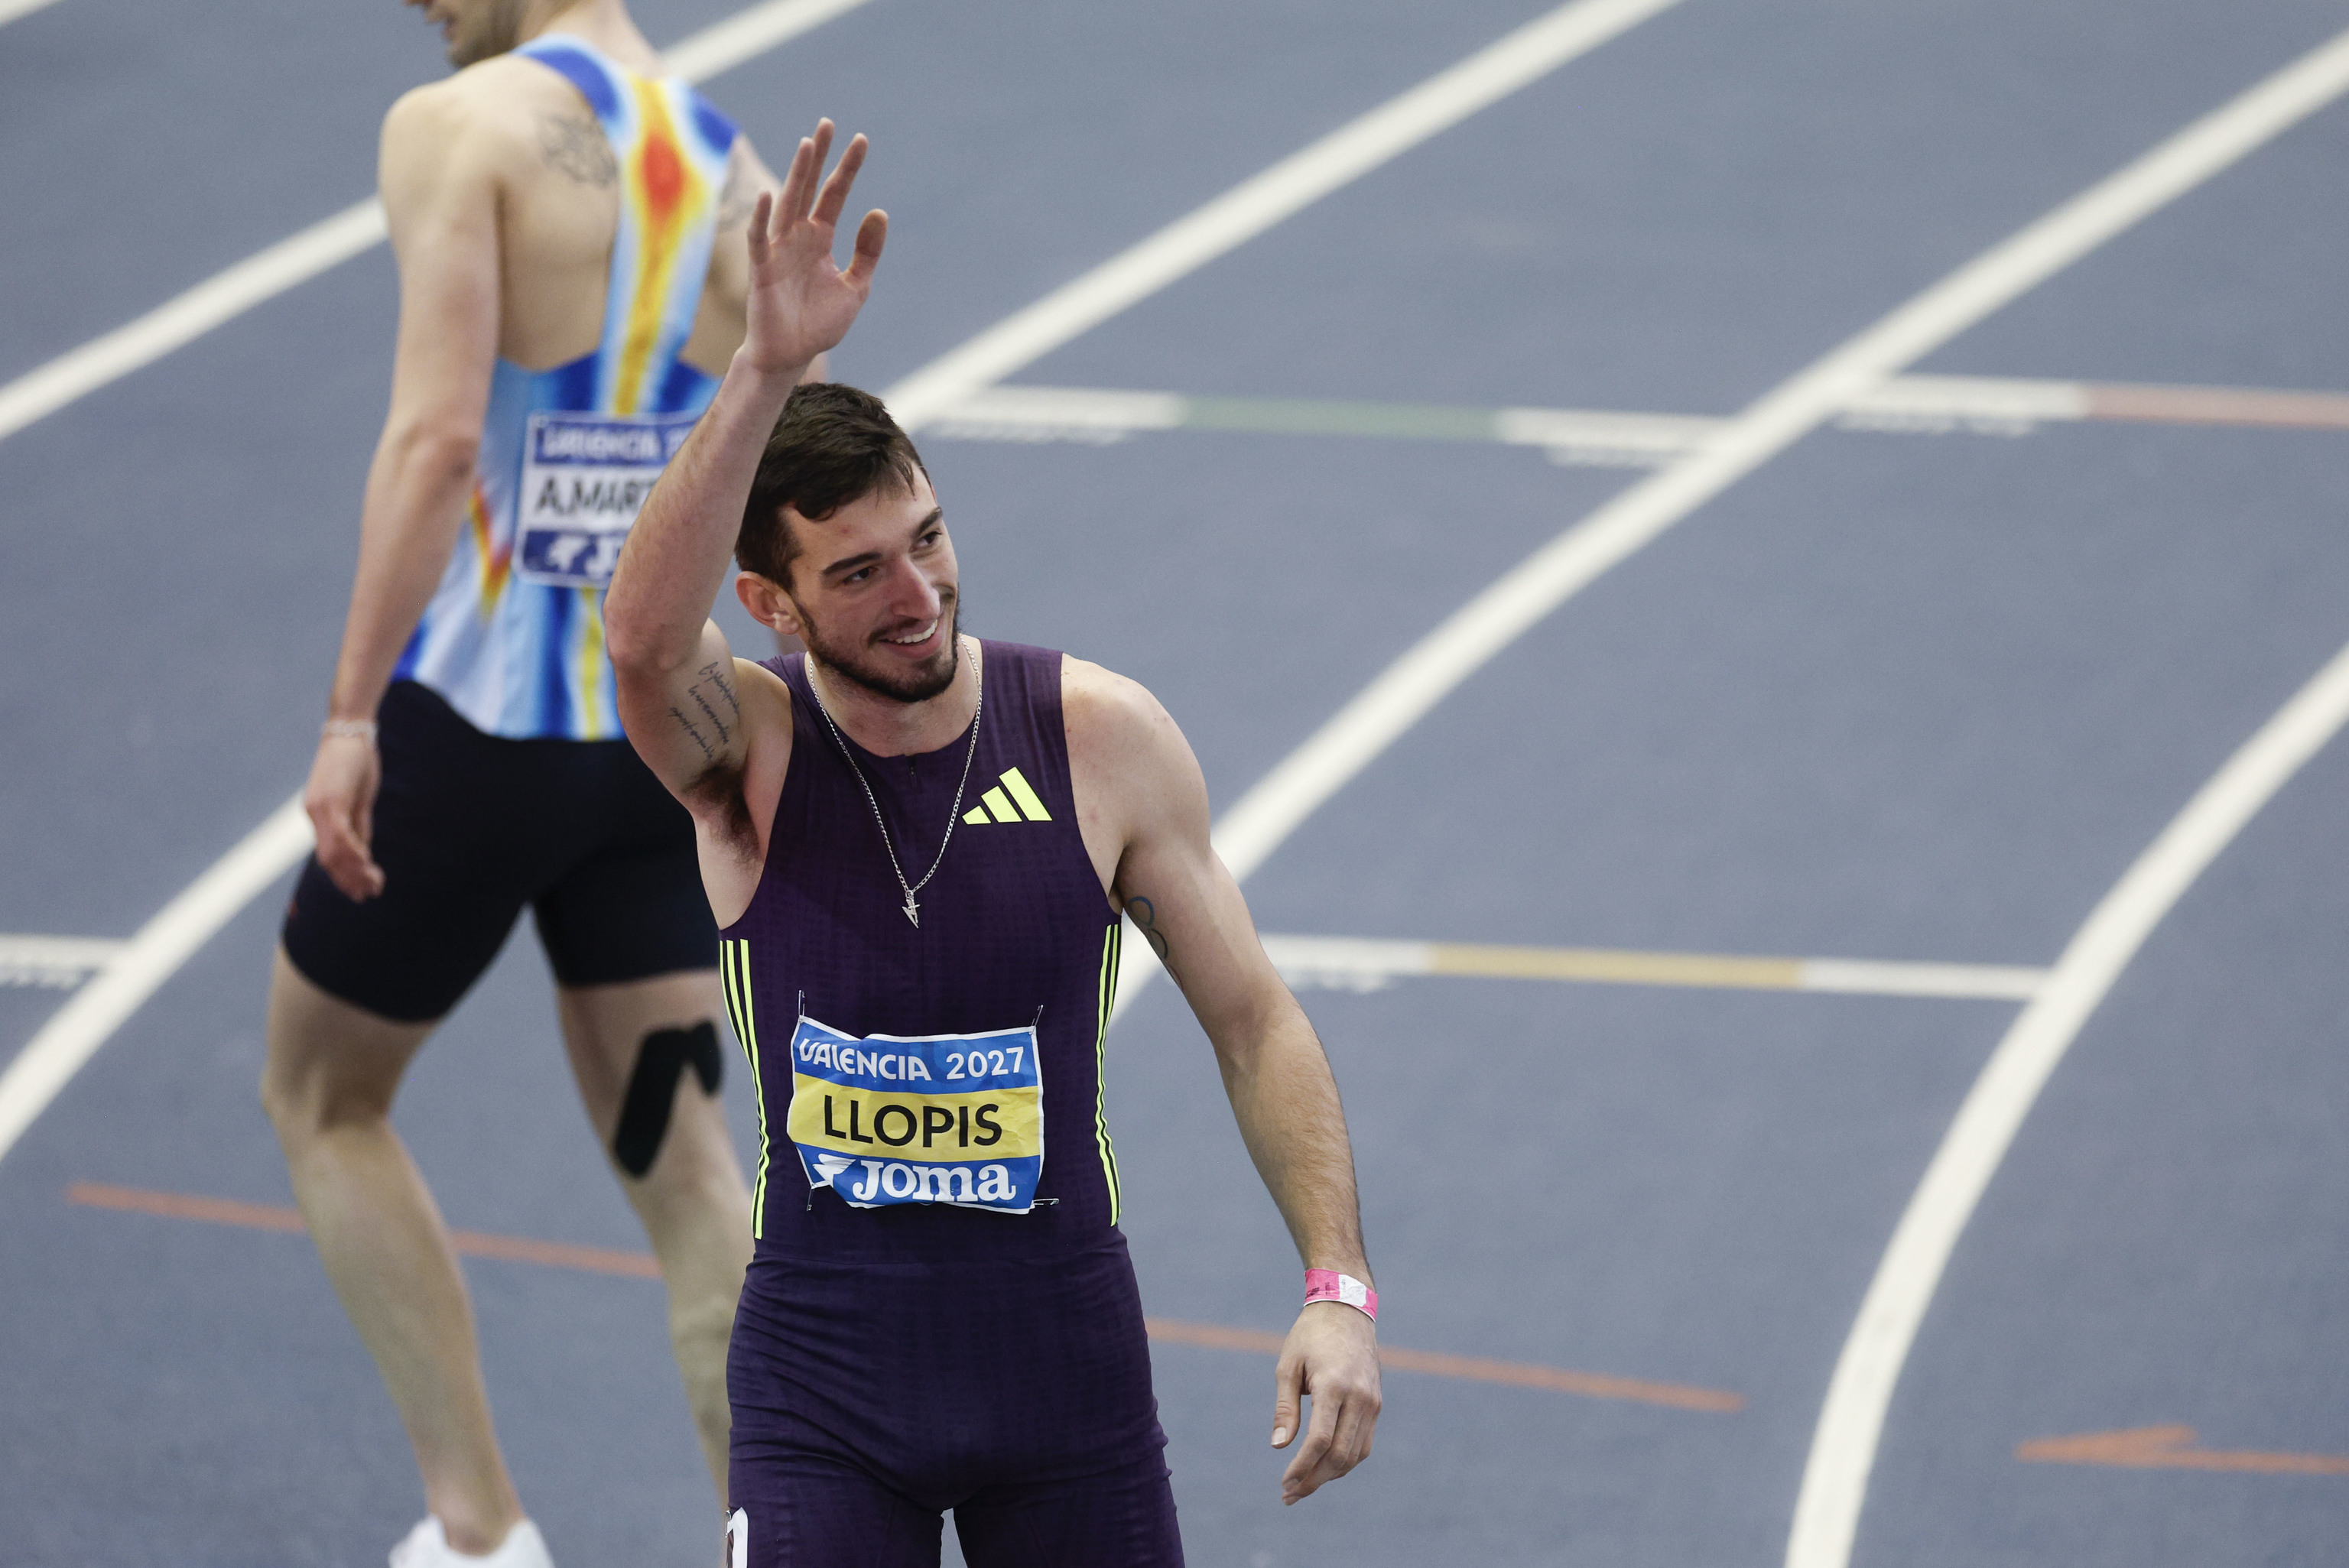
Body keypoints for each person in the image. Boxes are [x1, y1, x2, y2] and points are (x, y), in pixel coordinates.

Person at [603, 122, 1383, 1566]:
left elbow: (1255, 1019)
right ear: (771, 606)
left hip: (1062, 1378)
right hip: (822, 1383)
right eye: (859, 572)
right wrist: (764, 370)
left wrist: (1337, 1284)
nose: (919, 593)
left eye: (930, 538)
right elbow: (640, 645)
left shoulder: (1100, 737)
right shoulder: (747, 758)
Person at [260, 2, 804, 1562]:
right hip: (659, 737)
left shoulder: (465, 127)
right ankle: (792, 1536)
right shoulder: (731, 165)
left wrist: (351, 714)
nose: (419, 5)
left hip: (482, 725)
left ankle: (480, 1534)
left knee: (321, 1095)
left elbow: (438, 444)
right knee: (692, 1171)